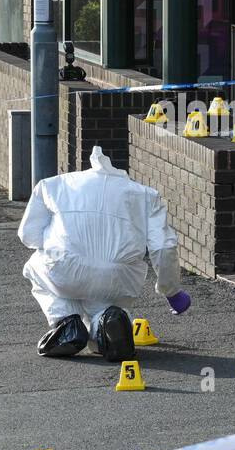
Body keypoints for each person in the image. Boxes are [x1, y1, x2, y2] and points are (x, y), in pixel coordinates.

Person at [18, 145, 191, 361]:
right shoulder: (146, 195)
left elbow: (28, 236)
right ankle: (106, 324)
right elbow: (163, 247)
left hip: (64, 271)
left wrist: (61, 242)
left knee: (36, 265)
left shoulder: (53, 185)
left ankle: (66, 322)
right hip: (119, 277)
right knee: (105, 303)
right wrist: (172, 291)